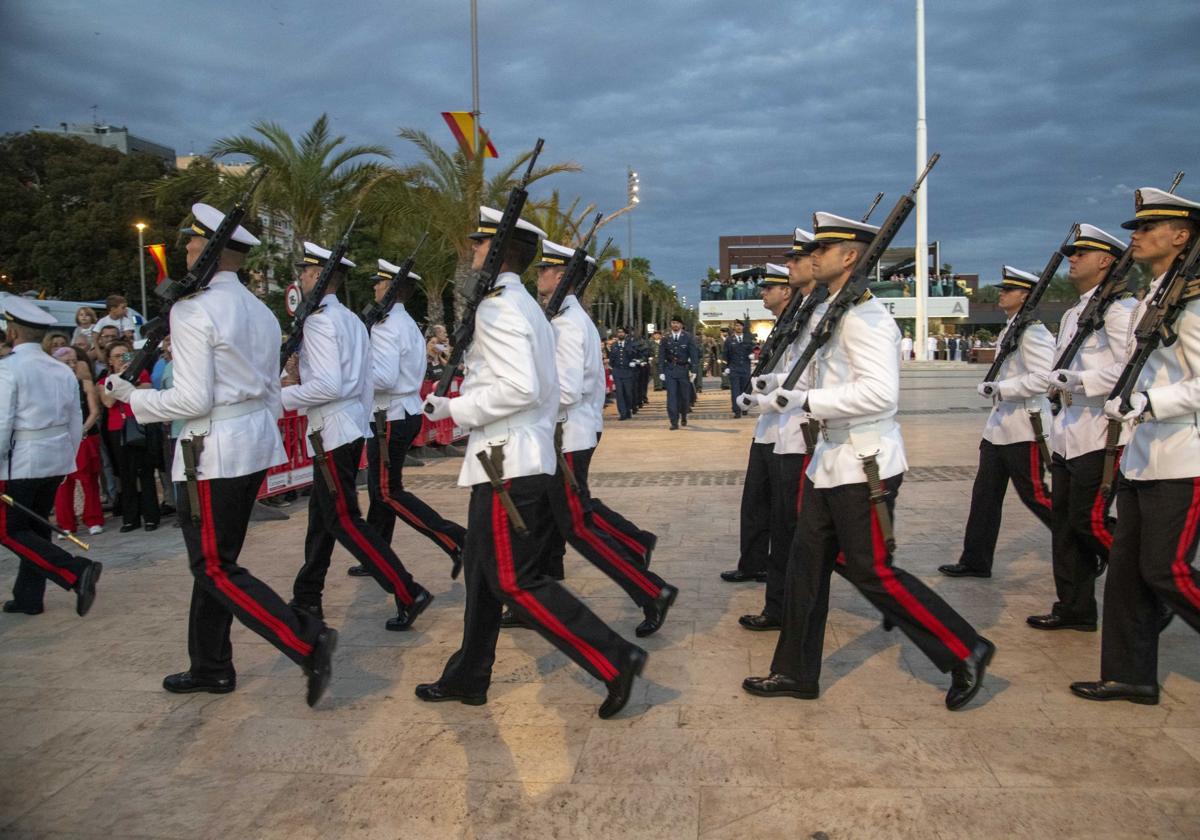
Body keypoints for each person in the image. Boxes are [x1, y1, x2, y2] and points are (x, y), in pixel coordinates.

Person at [744, 210, 993, 710]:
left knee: (871, 571)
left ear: (850, 257)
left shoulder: (867, 317)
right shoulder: (831, 310)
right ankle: (793, 672)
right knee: (805, 568)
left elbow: (880, 394)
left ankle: (965, 648)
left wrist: (804, 403)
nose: (811, 257)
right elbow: (824, 378)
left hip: (864, 462)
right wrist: (778, 389)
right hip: (830, 460)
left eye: (821, 250)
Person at [418, 207, 647, 719]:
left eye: (478, 244)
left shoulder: (500, 308)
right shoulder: (519, 305)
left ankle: (615, 659)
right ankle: (468, 676)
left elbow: (521, 389)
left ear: (497, 253)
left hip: (507, 465)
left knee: (516, 582)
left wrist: (454, 408)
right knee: (481, 577)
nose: (470, 252)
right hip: (506, 461)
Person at [105, 202, 336, 705]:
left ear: (208, 249)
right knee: (214, 561)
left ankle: (305, 638)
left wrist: (130, 397)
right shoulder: (259, 309)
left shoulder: (193, 309)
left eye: (191, 241)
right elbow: (270, 389)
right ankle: (210, 664)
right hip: (250, 445)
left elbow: (191, 400)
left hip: (209, 452)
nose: (186, 248)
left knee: (212, 565)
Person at [1071, 187, 1200, 705]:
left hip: (1186, 456)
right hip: (1145, 454)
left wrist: (1148, 401)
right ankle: (1130, 675)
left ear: (1181, 236)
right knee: (1126, 578)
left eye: (1149, 228)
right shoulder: (1157, 293)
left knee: (1164, 570)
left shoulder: (1193, 299)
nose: (1137, 236)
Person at [518, 240, 677, 636]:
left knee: (577, 525)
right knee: (551, 516)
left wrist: (521, 403)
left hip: (566, 435)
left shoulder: (567, 324)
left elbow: (567, 391)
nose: (539, 276)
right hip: (562, 434)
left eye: (545, 270)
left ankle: (650, 590)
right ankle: (540, 587)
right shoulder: (561, 319)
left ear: (564, 277)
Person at [282, 241, 432, 631]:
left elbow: (329, 385)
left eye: (305, 271)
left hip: (331, 429)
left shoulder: (318, 320)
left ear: (317, 275)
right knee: (323, 517)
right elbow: (363, 381)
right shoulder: (350, 318)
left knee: (344, 520)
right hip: (346, 427)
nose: (300, 277)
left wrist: (282, 396)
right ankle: (307, 594)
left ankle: (406, 589)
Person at [1029, 225, 1135, 631]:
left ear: (1106, 261)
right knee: (1064, 528)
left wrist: (1079, 382)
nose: (1072, 259)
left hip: (1100, 431)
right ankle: (1074, 607)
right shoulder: (1076, 312)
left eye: (1082, 254)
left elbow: (1131, 367)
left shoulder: (1120, 310)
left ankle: (1146, 586)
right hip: (1068, 431)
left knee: (1086, 522)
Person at [939, 267, 1054, 578]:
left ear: (1026, 295)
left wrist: (1001, 388)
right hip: (1000, 427)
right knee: (985, 496)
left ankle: (1084, 541)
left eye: (1009, 289)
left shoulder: (1034, 332)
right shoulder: (1012, 328)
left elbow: (1044, 379)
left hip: (1025, 427)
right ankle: (975, 560)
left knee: (1037, 496)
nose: (1002, 293)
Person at [357, 258, 466, 579]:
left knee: (388, 491)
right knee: (382, 491)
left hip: (388, 415)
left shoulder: (387, 326)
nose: (374, 287)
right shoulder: (405, 324)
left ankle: (455, 540)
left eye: (379, 282)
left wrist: (354, 376)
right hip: (402, 412)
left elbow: (385, 378)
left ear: (391, 289)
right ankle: (376, 555)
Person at [0, 295, 103, 618]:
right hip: (54, 457)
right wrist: (67, 458)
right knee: (36, 527)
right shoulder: (60, 369)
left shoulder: (8, 369)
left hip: (21, 460)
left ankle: (74, 571)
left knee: (9, 530)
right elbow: (75, 421)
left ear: (13, 333)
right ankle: (29, 596)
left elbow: (2, 422)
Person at [737, 233, 818, 628]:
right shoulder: (803, 316)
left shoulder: (820, 315)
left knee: (796, 528)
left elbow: (807, 381)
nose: (791, 266)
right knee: (782, 523)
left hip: (800, 432)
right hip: (778, 429)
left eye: (795, 261)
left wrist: (765, 395)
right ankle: (779, 605)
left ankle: (786, 605)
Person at [720, 241, 804, 584]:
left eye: (768, 288)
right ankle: (752, 562)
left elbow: (796, 379)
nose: (763, 294)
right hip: (767, 428)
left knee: (782, 510)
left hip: (789, 427)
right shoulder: (779, 326)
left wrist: (760, 399)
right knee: (754, 502)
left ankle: (775, 569)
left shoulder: (797, 327)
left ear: (786, 291)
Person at [99, 340, 161, 532]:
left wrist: (128, 381)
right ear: (109, 361)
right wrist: (122, 379)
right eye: (117, 356)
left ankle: (151, 516)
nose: (121, 359)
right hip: (118, 428)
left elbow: (147, 392)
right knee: (125, 475)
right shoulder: (105, 380)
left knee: (146, 472)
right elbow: (108, 401)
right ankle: (130, 518)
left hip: (140, 424)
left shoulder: (141, 374)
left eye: (125, 355)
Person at [52, 346, 105, 538]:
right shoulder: (51, 386)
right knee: (62, 483)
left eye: (75, 361)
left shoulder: (85, 383)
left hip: (84, 436)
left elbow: (94, 411)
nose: (72, 365)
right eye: (68, 362)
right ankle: (65, 524)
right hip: (60, 438)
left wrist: (80, 430)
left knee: (88, 480)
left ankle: (94, 519)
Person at [659, 315, 698, 430]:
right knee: (671, 397)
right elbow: (661, 355)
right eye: (673, 323)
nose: (675, 325)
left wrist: (694, 370)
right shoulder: (666, 337)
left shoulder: (688, 337)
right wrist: (661, 371)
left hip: (683, 370)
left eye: (677, 323)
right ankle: (674, 421)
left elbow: (693, 354)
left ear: (681, 325)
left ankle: (684, 415)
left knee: (684, 397)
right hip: (670, 370)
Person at [725, 317, 755, 417]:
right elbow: (725, 354)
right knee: (735, 391)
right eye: (736, 326)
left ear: (743, 327)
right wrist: (725, 367)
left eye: (740, 326)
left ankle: (744, 407)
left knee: (746, 390)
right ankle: (737, 410)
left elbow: (752, 349)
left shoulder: (748, 339)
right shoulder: (729, 340)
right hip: (734, 368)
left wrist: (752, 354)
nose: (738, 327)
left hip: (745, 368)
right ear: (734, 327)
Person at [608, 327, 639, 420]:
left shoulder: (631, 344)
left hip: (628, 371)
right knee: (620, 393)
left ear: (625, 334)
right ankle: (622, 413)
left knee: (628, 393)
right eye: (618, 332)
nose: (620, 334)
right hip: (617, 371)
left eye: (622, 332)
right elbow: (612, 359)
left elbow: (636, 354)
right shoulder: (614, 345)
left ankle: (628, 409)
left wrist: (634, 361)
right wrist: (612, 371)